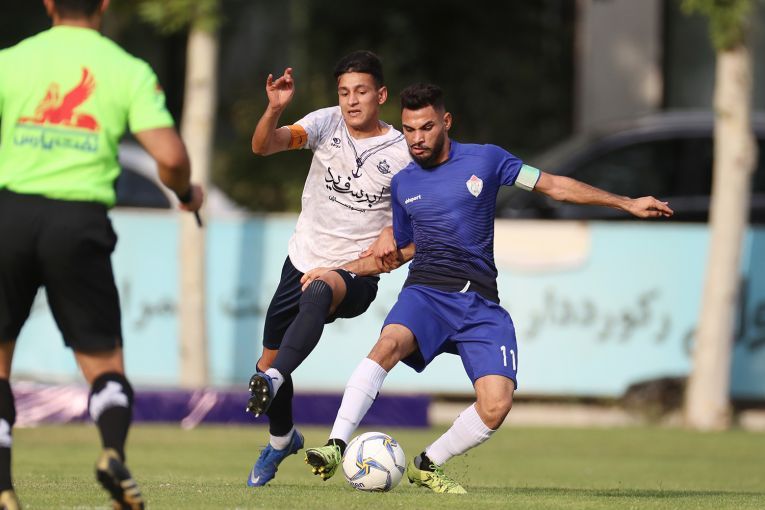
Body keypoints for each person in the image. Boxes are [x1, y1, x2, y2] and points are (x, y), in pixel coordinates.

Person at [302, 83, 673, 493]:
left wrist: (626, 202)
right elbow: (402, 251)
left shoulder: (488, 160)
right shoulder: (404, 183)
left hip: (479, 303)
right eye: (408, 130)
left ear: (446, 122)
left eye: (426, 127)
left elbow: (553, 185)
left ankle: (427, 464)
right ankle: (336, 445)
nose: (416, 138)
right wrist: (337, 270)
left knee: (496, 404)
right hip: (426, 292)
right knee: (387, 345)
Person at [0, 0, 204, 508]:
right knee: (105, 365)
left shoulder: (11, 60)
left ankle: (2, 488)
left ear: (48, 3)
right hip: (79, 223)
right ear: (104, 5)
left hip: (10, 218)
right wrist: (184, 193)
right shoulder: (127, 69)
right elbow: (172, 157)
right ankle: (111, 452)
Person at [244, 50, 411, 487]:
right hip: (301, 261)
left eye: (361, 91)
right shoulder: (324, 124)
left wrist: (393, 231)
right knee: (265, 362)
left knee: (320, 291)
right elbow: (263, 145)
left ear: (381, 95)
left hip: (355, 274)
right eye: (344, 92)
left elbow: (420, 212)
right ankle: (282, 440)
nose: (352, 101)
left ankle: (275, 378)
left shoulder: (402, 152)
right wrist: (274, 109)